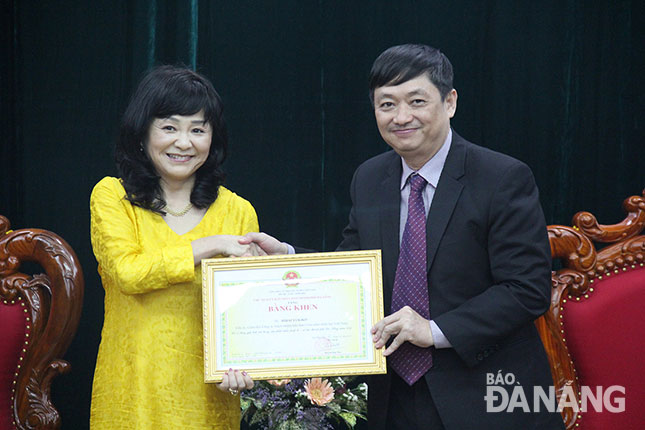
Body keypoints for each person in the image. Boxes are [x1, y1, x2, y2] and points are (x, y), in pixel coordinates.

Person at [242, 44, 565, 429]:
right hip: (392, 397)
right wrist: (290, 259)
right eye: (387, 104)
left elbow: (526, 289)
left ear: (450, 102)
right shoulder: (370, 178)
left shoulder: (501, 177)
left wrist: (432, 330)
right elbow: (356, 268)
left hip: (487, 394)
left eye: (416, 101)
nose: (402, 117)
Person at [90, 65, 258, 429]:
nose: (184, 142)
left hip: (208, 400)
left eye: (198, 129)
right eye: (169, 127)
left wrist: (249, 363)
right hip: (132, 395)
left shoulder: (238, 211)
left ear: (213, 138)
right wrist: (209, 245)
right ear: (142, 132)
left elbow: (245, 317)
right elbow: (130, 273)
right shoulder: (112, 197)